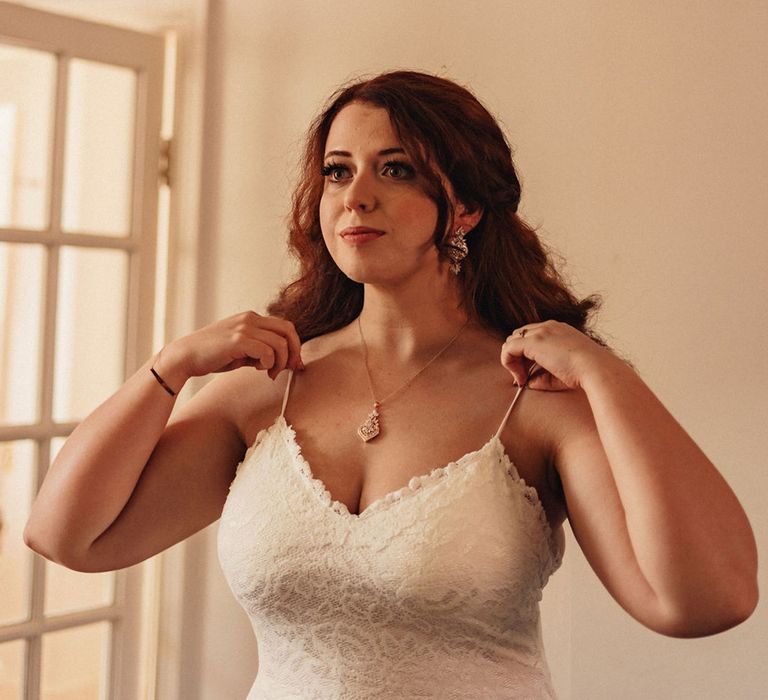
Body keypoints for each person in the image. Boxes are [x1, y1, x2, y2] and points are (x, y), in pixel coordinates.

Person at [25, 71, 757, 698]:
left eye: (396, 168)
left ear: (464, 206)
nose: (356, 196)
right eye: (339, 170)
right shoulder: (265, 391)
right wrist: (168, 368)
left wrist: (608, 376)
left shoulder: (535, 401)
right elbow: (68, 537)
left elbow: (704, 601)